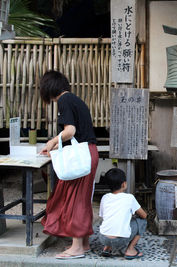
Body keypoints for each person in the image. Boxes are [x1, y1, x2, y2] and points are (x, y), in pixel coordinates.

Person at [39, 70, 99, 259]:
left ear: (49, 87)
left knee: (75, 200)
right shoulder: (74, 100)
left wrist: (51, 142)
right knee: (82, 198)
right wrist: (55, 144)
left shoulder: (64, 101)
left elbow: (70, 131)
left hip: (81, 155)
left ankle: (77, 248)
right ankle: (84, 243)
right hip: (88, 152)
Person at [99, 168, 147, 259]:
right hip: (120, 240)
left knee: (108, 220)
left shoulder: (104, 197)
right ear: (124, 184)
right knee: (142, 221)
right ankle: (130, 249)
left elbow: (103, 216)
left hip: (103, 238)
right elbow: (144, 215)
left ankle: (107, 248)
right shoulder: (129, 198)